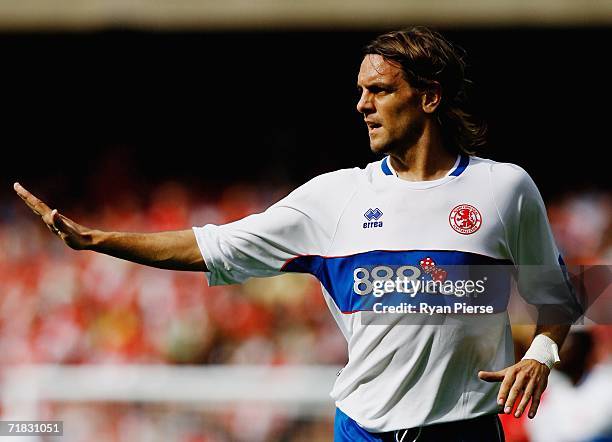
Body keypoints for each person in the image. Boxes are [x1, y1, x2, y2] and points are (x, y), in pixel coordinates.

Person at [15, 27, 581, 442]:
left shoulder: (504, 189)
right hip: (360, 429)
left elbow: (557, 299)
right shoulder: (333, 199)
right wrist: (98, 240)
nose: (361, 104)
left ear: (429, 97)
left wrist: (542, 352)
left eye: (380, 90)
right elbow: (213, 245)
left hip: (464, 431)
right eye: (360, 90)